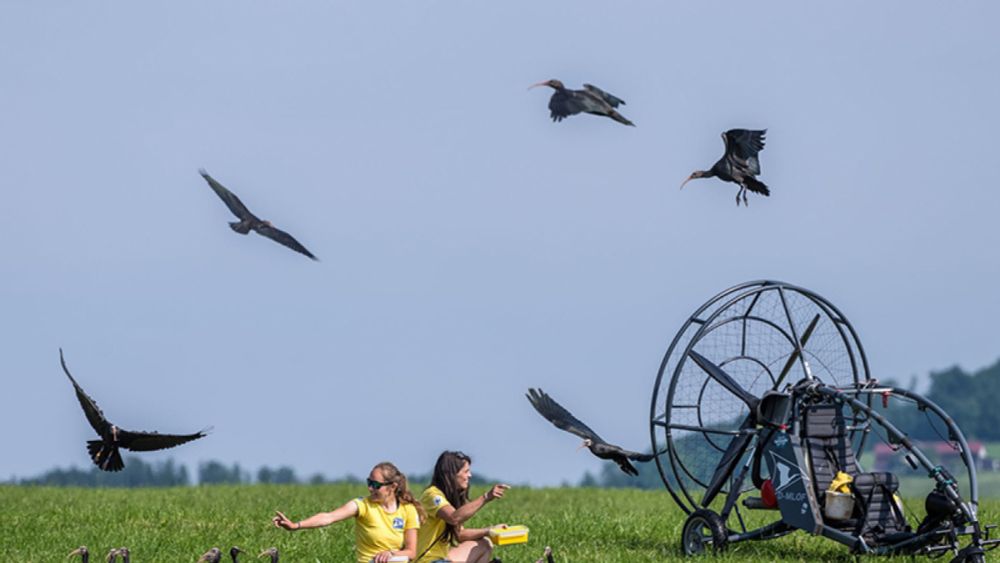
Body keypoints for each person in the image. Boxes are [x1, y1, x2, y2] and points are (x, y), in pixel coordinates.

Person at [273, 461, 424, 563]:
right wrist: (296, 525)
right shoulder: (362, 505)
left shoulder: (408, 510)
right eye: (369, 482)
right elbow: (329, 517)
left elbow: (411, 552)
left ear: (392, 487)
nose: (370, 488)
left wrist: (391, 554)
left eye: (376, 485)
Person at [416, 451, 510, 563]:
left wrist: (490, 530)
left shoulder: (448, 499)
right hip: (425, 560)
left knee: (484, 544)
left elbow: (460, 534)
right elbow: (454, 518)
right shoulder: (432, 495)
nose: (469, 475)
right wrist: (486, 497)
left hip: (441, 559)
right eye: (466, 471)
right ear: (452, 474)